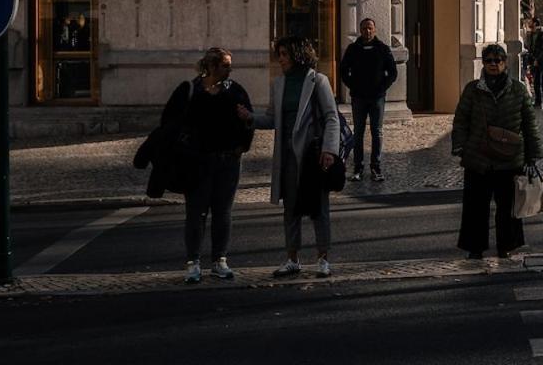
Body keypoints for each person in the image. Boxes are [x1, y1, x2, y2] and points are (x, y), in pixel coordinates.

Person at [159, 47, 254, 284]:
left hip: (227, 161)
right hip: (197, 162)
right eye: (225, 65)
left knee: (223, 212)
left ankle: (219, 260)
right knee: (196, 212)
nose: (229, 70)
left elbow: (248, 119)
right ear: (211, 67)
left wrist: (243, 145)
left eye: (230, 65)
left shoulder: (236, 91)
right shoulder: (191, 91)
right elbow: (170, 121)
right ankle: (193, 262)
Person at [251, 36, 339, 278]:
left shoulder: (317, 80)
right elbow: (271, 118)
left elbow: (332, 117)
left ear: (298, 55)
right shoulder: (279, 83)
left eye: (284, 54)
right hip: (287, 156)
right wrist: (249, 117)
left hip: (312, 154)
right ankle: (292, 258)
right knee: (290, 208)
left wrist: (329, 150)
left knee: (318, 207)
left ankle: (323, 258)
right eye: (279, 54)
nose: (280, 59)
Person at [451, 43, 543, 259]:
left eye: (498, 60)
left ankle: (507, 245)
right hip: (478, 156)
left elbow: (529, 124)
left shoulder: (518, 89)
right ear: (483, 63)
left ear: (505, 62)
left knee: (508, 206)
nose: (493, 64)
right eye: (489, 61)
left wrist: (533, 155)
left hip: (510, 158)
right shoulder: (472, 89)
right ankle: (475, 248)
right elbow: (461, 120)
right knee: (475, 207)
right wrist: (460, 146)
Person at [339, 17, 398, 182]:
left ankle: (376, 166)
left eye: (370, 28)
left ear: (375, 29)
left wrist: (382, 87)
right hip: (358, 97)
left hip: (377, 98)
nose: (367, 31)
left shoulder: (382, 49)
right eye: (364, 28)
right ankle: (358, 167)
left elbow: (392, 72)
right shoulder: (353, 49)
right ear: (360, 30)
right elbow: (343, 71)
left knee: (377, 132)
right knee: (358, 132)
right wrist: (353, 86)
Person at [527, 17, 543, 110]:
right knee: (536, 83)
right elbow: (531, 48)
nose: (529, 23)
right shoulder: (532, 34)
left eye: (531, 22)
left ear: (535, 23)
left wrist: (538, 59)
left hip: (542, 61)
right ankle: (538, 102)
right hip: (534, 61)